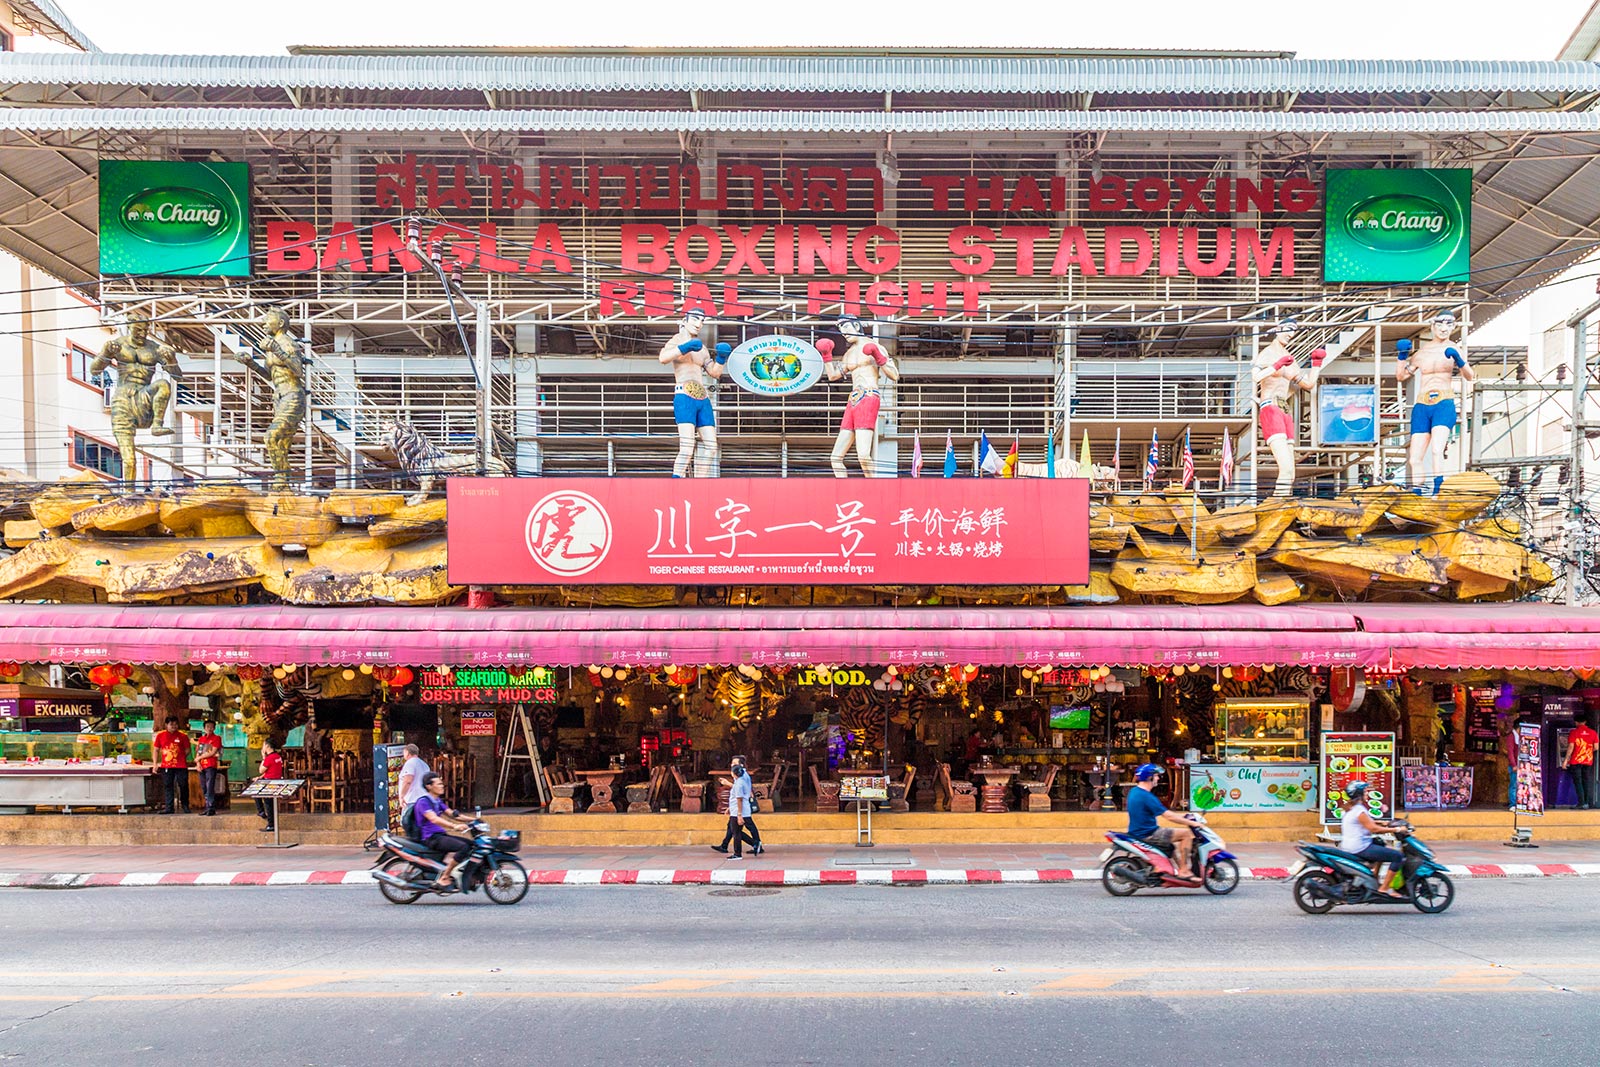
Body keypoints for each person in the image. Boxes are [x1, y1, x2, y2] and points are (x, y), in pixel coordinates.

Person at [1395, 310, 1475, 495]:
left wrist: (1459, 359)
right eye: (1440, 325)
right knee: (1414, 458)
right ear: (1433, 326)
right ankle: (1417, 490)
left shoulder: (1455, 348)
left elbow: (1470, 376)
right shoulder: (1422, 353)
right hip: (1422, 404)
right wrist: (1401, 357)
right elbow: (1402, 376)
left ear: (1453, 327)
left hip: (1443, 402)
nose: (1444, 329)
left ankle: (1438, 487)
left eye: (1449, 325)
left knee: (1437, 449)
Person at [1250, 318, 1326, 497]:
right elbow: (1256, 377)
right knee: (1284, 468)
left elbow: (1308, 384)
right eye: (1289, 329)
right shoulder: (1267, 353)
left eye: (1294, 331)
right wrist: (1276, 365)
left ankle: (1282, 502)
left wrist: (1316, 364)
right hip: (1270, 407)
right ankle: (1277, 506)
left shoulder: (1291, 360)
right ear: (1277, 328)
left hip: (1285, 411)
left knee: (1291, 472)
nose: (1291, 334)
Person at [819, 314, 900, 478]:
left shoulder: (874, 345)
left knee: (863, 455)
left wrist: (878, 355)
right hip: (853, 400)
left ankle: (872, 489)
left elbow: (894, 375)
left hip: (869, 396)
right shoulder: (849, 354)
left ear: (856, 326)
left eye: (846, 327)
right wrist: (826, 356)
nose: (844, 332)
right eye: (841, 329)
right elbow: (833, 376)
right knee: (835, 457)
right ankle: (845, 491)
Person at [660, 310, 729, 478]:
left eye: (703, 320)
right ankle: (676, 481)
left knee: (712, 446)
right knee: (687, 446)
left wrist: (721, 358)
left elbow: (714, 373)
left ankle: (700, 481)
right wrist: (684, 348)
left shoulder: (703, 349)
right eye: (696, 319)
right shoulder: (676, 340)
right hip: (684, 395)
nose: (699, 323)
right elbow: (663, 358)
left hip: (702, 397)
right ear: (685, 320)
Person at [1126, 764, 1199, 881]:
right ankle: (1184, 870)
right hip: (1149, 834)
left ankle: (1178, 869)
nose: (1158, 779)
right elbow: (1168, 816)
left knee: (1171, 844)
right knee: (1186, 834)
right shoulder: (1147, 796)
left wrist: (1182, 817)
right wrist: (1193, 823)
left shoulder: (1134, 792)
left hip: (1138, 831)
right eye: (1156, 776)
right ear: (1149, 778)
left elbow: (1166, 813)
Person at [1339, 781, 1406, 898]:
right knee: (1397, 856)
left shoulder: (1352, 809)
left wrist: (1383, 822)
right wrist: (1397, 829)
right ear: (1359, 794)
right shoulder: (1359, 810)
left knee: (1379, 843)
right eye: (1365, 791)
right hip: (1360, 847)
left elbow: (1365, 822)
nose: (1367, 793)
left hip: (1350, 845)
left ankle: (1374, 878)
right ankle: (1384, 888)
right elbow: (1373, 829)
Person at [414, 772, 475, 889]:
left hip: (440, 835)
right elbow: (434, 819)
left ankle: (460, 873)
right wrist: (454, 826)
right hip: (431, 837)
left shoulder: (437, 801)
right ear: (429, 786)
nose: (442, 786)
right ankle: (445, 876)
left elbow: (453, 814)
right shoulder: (423, 802)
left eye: (442, 784)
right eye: (439, 784)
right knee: (463, 847)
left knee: (472, 844)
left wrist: (474, 820)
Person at [711, 756, 762, 859]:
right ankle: (753, 844)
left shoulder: (740, 780)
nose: (732, 766)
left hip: (740, 809)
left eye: (734, 764)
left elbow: (739, 796)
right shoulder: (742, 776)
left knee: (738, 830)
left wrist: (738, 813)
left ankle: (746, 848)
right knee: (735, 829)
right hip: (739, 808)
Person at [153, 718, 191, 815]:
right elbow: (156, 750)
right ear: (166, 725)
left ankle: (185, 805)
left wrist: (179, 757)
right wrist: (155, 764)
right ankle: (169, 807)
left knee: (183, 785)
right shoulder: (160, 736)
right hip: (166, 765)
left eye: (175, 724)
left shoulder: (183, 736)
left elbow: (187, 750)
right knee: (168, 785)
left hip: (181, 765)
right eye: (171, 724)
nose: (174, 726)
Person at [1560, 715, 1597, 810]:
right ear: (1585, 722)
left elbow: (1571, 747)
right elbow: (1596, 747)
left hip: (1576, 761)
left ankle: (1581, 803)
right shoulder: (1593, 733)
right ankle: (1586, 803)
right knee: (1586, 781)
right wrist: (1587, 752)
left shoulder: (1574, 732)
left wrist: (1565, 761)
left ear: (1576, 722)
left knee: (1578, 782)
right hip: (1588, 761)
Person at [253, 739, 284, 832]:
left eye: (263, 745)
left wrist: (263, 757)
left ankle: (270, 823)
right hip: (274, 780)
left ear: (267, 746)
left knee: (268, 803)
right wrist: (260, 777)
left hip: (269, 783)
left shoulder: (269, 758)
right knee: (256, 792)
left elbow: (261, 769)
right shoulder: (277, 756)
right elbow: (271, 770)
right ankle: (262, 812)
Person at [194, 719, 223, 817]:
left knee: (210, 786)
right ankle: (207, 807)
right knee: (204, 787)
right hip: (202, 766)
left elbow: (213, 752)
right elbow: (199, 751)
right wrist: (198, 763)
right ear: (204, 728)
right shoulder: (201, 739)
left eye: (211, 727)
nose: (209, 729)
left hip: (210, 765)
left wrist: (199, 758)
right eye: (207, 727)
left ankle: (211, 807)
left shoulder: (216, 738)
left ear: (214, 728)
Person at [398, 744, 431, 808]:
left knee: (407, 818)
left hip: (412, 800)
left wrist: (401, 796)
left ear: (407, 753)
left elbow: (408, 781)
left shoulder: (410, 763)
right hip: (423, 798)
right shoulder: (425, 765)